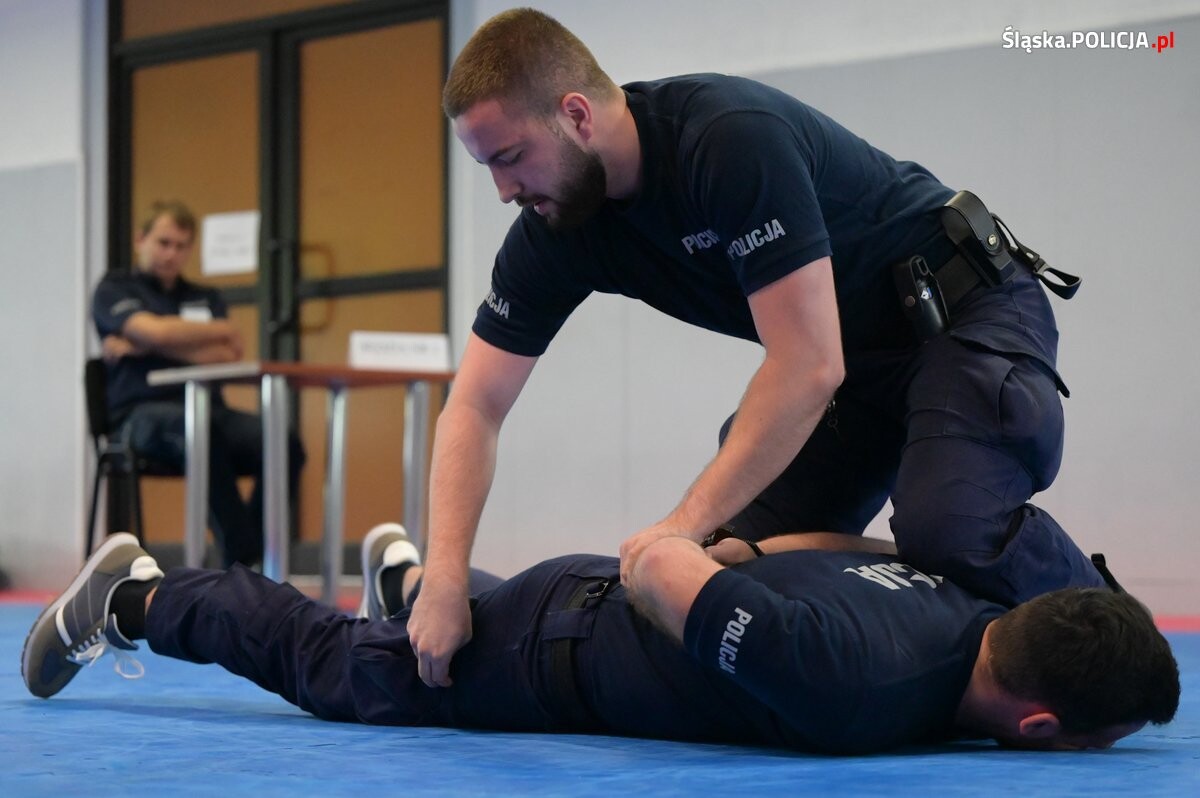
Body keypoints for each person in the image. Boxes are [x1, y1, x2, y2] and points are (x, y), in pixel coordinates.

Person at [408, 8, 1109, 687]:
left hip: (963, 312)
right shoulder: (554, 228)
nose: (503, 191)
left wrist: (680, 524)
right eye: (486, 168)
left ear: (577, 116)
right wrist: (442, 577)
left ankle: (1113, 637)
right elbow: (475, 403)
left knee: (949, 528)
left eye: (509, 158)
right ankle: (932, 648)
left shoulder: (726, 141)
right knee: (728, 566)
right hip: (856, 366)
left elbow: (806, 364)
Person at [22, 529, 1178, 755]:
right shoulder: (859, 688)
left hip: (570, 610)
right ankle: (139, 597)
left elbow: (820, 542)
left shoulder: (953, 595)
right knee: (339, 673)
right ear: (1039, 726)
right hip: (546, 648)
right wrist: (703, 566)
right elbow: (663, 562)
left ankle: (414, 581)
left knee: (425, 616)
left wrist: (739, 559)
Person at [91, 200, 305, 567]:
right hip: (138, 416)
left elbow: (229, 351)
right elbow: (153, 330)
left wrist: (147, 345)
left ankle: (252, 556)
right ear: (141, 239)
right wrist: (174, 336)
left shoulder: (205, 297)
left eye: (180, 246)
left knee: (283, 441)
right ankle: (246, 561)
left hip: (208, 407)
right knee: (197, 430)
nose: (170, 254)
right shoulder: (114, 288)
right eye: (163, 242)